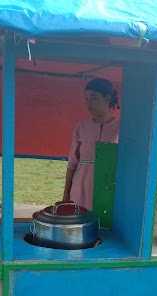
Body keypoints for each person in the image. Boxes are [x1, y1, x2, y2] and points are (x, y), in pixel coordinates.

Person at [63, 78, 120, 210]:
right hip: (80, 189)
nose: (89, 104)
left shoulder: (120, 129)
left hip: (107, 189)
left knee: (103, 226)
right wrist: (66, 194)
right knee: (79, 225)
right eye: (87, 99)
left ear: (107, 98)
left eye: (94, 98)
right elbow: (72, 164)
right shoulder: (81, 127)